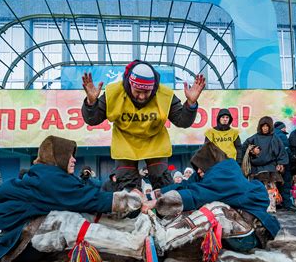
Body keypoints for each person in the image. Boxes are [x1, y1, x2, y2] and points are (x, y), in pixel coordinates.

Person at [0, 135, 143, 262]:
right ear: (57, 156)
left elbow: (85, 200)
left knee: (80, 213)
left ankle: (131, 228)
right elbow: (90, 199)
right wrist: (136, 201)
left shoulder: (46, 174)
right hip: (13, 244)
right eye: (69, 156)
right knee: (67, 220)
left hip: (16, 237)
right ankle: (136, 245)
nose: (74, 160)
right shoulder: (48, 177)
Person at [82, 60, 205, 190]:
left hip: (154, 142)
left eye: (146, 92)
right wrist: (91, 103)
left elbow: (182, 121)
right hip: (126, 144)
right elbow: (93, 120)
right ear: (130, 84)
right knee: (128, 187)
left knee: (162, 182)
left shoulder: (164, 94)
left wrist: (191, 104)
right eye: (138, 91)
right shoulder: (114, 93)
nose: (141, 96)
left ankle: (164, 207)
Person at [142, 142, 281, 251]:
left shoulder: (225, 175)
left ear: (209, 164)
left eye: (200, 166)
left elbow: (196, 195)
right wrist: (150, 196)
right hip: (238, 230)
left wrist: (157, 203)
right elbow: (187, 186)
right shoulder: (212, 174)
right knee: (196, 204)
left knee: (214, 209)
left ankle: (165, 239)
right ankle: (165, 227)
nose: (198, 171)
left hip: (250, 235)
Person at [242, 116, 289, 213]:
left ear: (270, 127)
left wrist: (281, 163)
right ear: (260, 126)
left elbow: (282, 152)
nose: (265, 128)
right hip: (256, 168)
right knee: (258, 188)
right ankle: (259, 207)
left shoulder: (275, 138)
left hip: (270, 167)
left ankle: (271, 206)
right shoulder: (253, 138)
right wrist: (251, 150)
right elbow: (244, 148)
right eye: (263, 126)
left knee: (271, 188)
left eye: (267, 126)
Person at [273, 121, 296, 211]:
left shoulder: (271, 135)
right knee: (286, 184)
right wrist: (294, 159)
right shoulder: (282, 135)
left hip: (273, 164)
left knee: (276, 185)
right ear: (282, 128)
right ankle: (287, 204)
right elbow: (286, 150)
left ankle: (277, 203)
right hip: (284, 164)